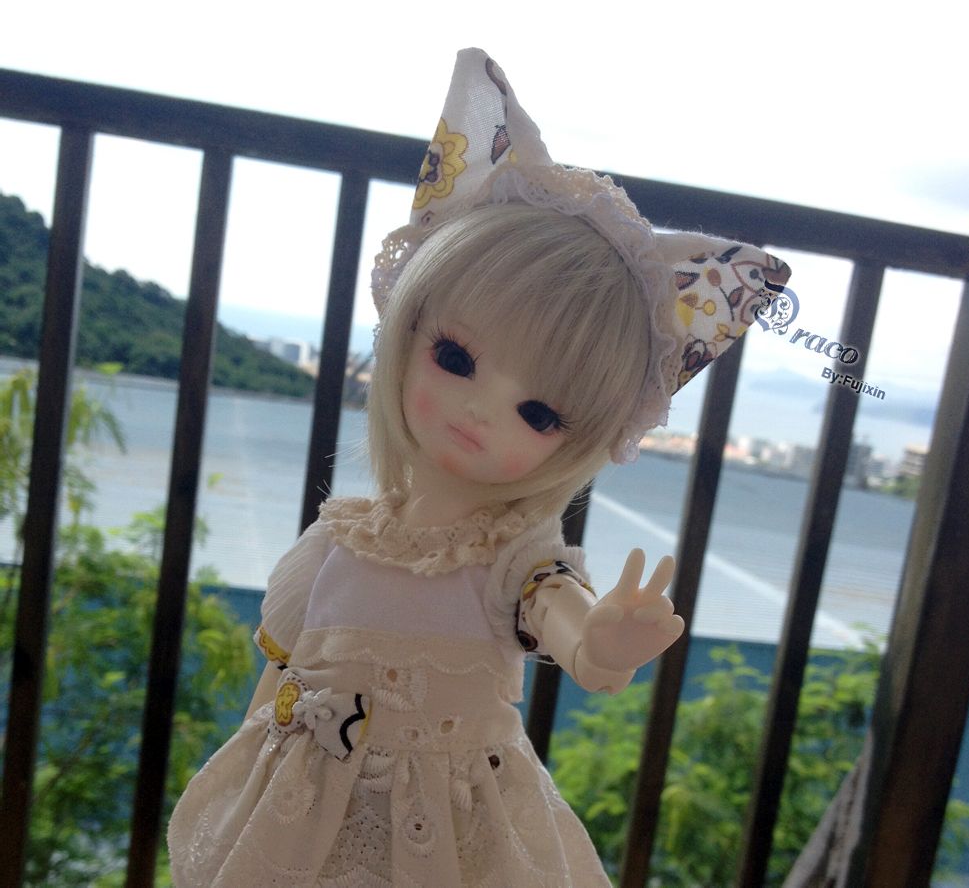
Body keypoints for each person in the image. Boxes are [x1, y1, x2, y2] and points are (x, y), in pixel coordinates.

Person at [167, 48, 790, 887]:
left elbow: (561, 619)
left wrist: (602, 642)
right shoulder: (341, 537)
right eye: (455, 358)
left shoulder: (510, 557)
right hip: (297, 821)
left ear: (578, 442)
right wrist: (248, 783)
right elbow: (281, 670)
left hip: (451, 840)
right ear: (406, 327)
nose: (480, 411)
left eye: (540, 413)